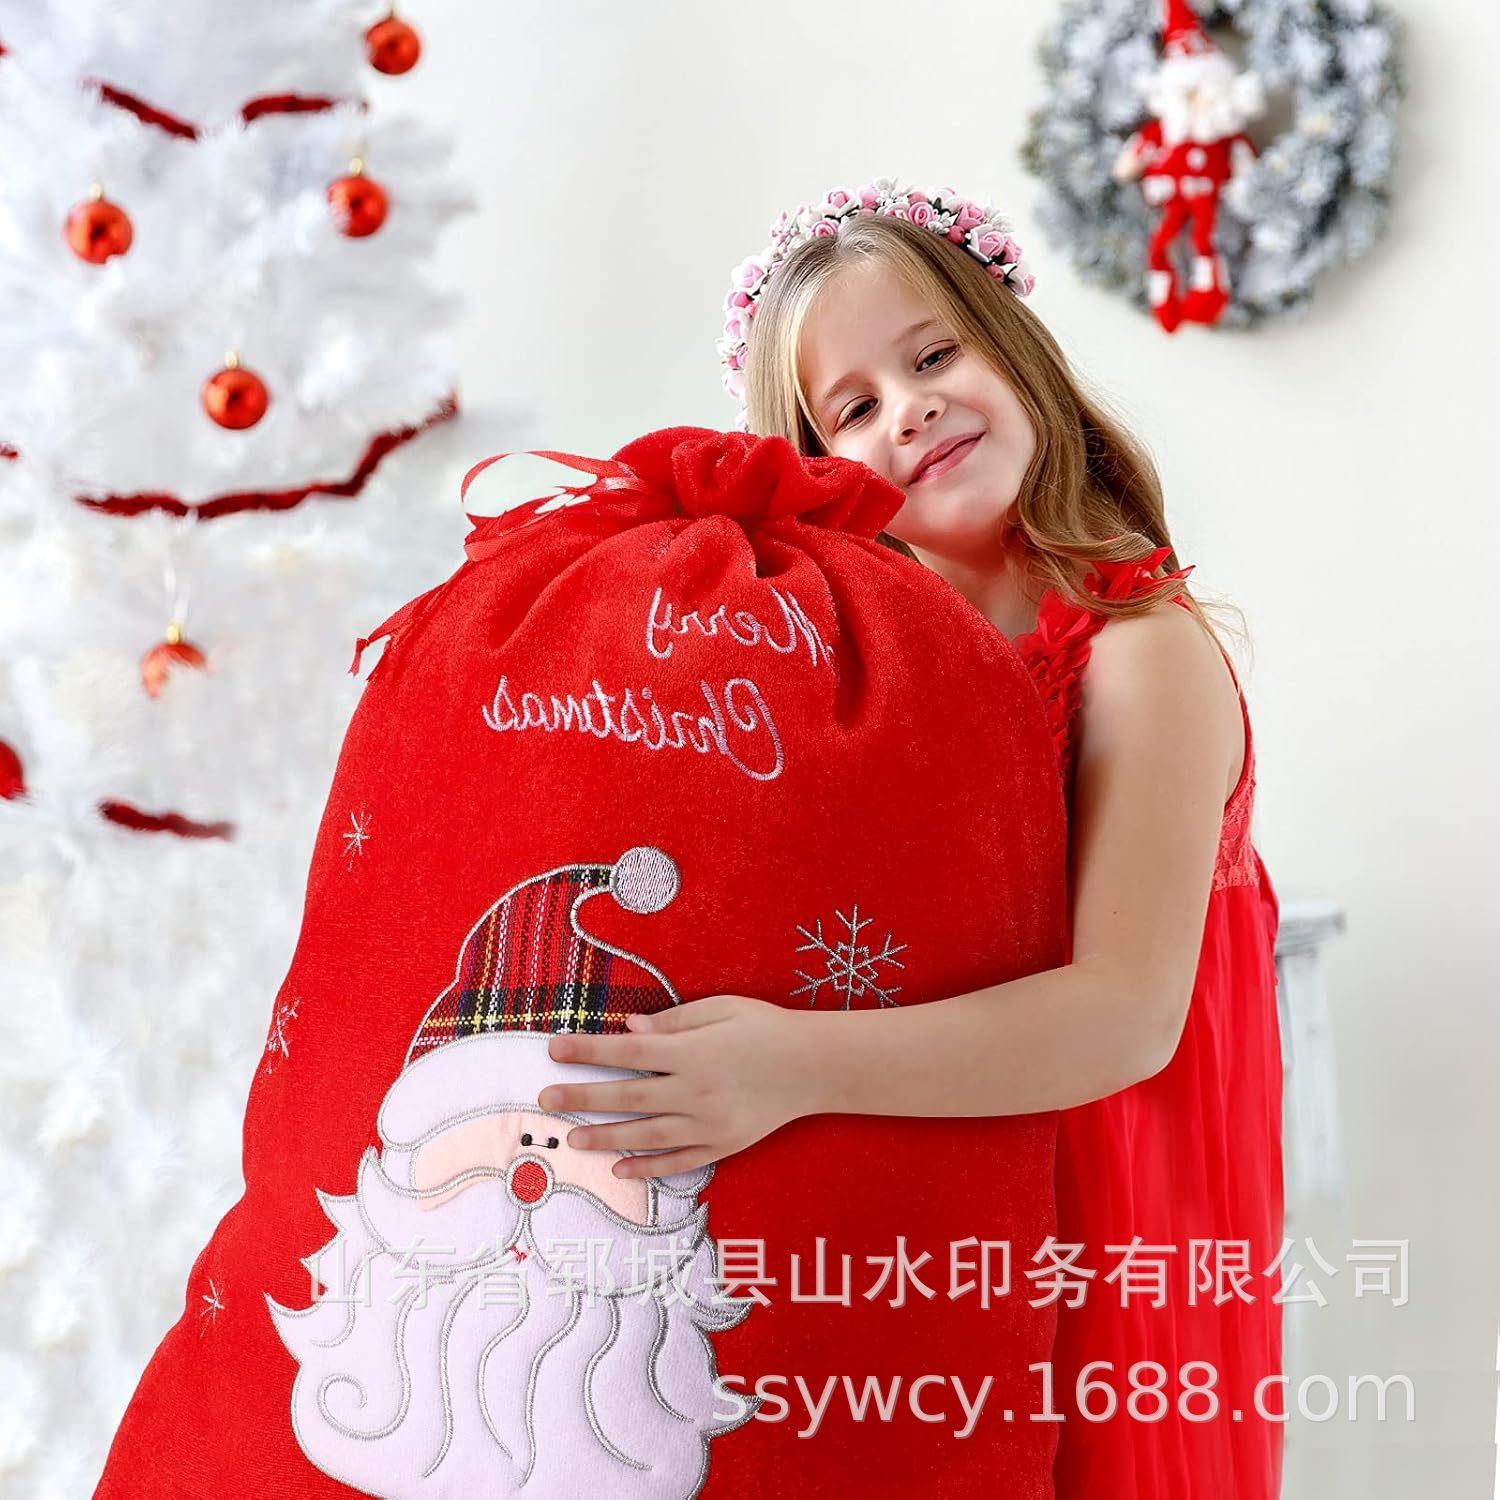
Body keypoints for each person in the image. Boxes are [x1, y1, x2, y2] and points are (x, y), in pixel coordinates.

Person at [536, 178, 1284, 1498]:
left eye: (934, 356)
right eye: (854, 407)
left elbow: (1126, 1017)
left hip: (1107, 1205)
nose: (912, 409)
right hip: (935, 1182)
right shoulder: (870, 683)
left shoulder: (1139, 651)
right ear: (816, 472)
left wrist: (782, 1064)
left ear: (1015, 350)